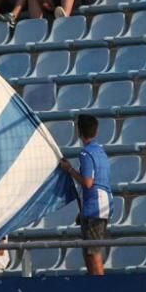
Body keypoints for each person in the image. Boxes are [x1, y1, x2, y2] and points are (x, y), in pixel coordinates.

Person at [58, 114, 111, 276]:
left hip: (95, 207)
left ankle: (100, 290)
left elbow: (88, 183)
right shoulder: (101, 152)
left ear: (79, 131)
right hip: (101, 204)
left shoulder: (86, 154)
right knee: (89, 251)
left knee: (93, 252)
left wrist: (69, 169)